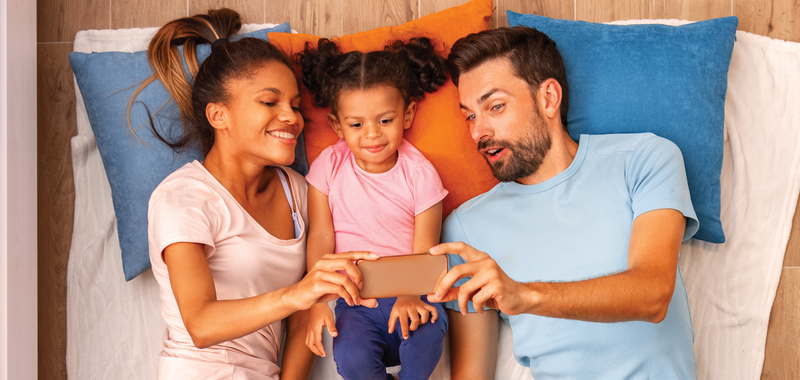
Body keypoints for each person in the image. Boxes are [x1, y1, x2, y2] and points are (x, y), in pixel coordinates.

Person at [427, 27, 699, 379]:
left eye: (495, 107)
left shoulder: (643, 159)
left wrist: (523, 295)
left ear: (549, 98)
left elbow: (653, 294)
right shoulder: (465, 229)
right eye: (470, 116)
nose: (478, 132)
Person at [139, 9, 378, 380]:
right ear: (218, 115)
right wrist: (297, 293)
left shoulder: (299, 190)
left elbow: (305, 315)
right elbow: (200, 323)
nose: (292, 117)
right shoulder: (184, 198)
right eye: (270, 102)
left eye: (295, 106)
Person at [297, 37, 450, 380]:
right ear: (337, 125)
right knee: (352, 359)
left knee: (424, 345)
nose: (372, 135)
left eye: (384, 121)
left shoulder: (420, 173)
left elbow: (426, 248)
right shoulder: (328, 166)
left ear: (407, 115)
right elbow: (320, 236)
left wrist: (410, 293)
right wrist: (318, 301)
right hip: (356, 302)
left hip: (415, 292)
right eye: (356, 125)